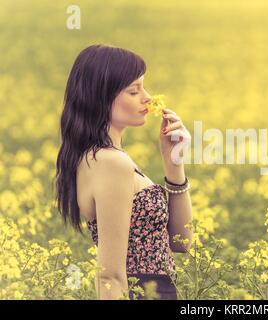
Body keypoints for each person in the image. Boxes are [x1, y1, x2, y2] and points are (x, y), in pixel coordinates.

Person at [55, 44, 193, 300]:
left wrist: (173, 162)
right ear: (101, 97)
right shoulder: (110, 163)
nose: (147, 98)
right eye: (133, 90)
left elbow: (181, 241)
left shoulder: (109, 159)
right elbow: (109, 275)